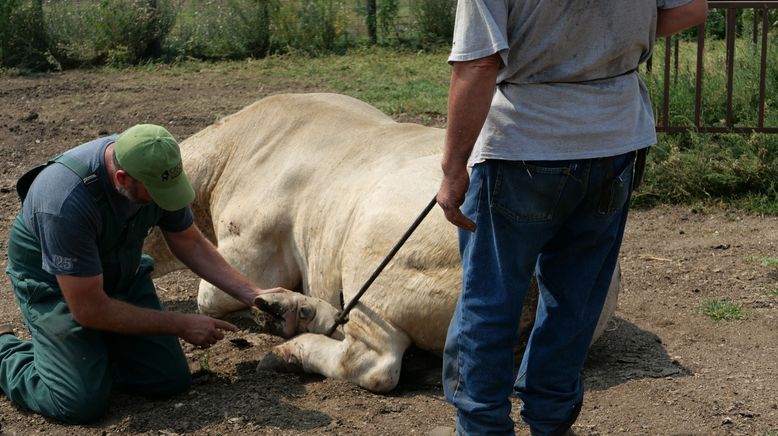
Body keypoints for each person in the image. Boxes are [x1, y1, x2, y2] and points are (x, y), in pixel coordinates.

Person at [435, 1, 708, 435]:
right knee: (575, 298)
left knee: (490, 299)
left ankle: (482, 425)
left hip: (522, 144)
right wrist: (604, 46)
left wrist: (453, 170)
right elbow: (692, 9)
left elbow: (480, 62)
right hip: (614, 141)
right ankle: (551, 419)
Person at [0, 124, 288, 424]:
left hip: (119, 271)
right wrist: (180, 323)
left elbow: (189, 241)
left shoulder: (158, 170)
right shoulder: (64, 202)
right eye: (157, 193)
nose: (167, 199)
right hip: (58, 286)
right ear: (122, 179)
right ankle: (6, 352)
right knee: (78, 402)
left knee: (168, 379)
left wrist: (252, 293)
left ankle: (87, 357)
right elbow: (88, 309)